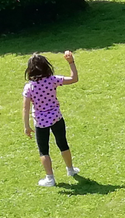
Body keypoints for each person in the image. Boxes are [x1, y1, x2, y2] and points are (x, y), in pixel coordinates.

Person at [22, 51, 81, 187]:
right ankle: (70, 170)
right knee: (63, 144)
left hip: (40, 123)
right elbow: (74, 78)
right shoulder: (52, 80)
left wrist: (26, 126)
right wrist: (71, 62)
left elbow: (25, 108)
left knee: (44, 150)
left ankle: (50, 178)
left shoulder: (29, 87)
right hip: (56, 118)